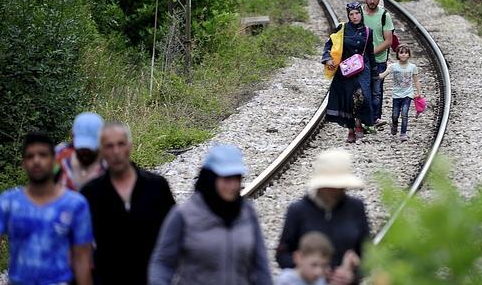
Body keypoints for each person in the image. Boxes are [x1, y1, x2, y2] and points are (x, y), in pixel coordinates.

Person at [0, 132, 93, 285]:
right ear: (23, 163)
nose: (36, 161)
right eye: (30, 156)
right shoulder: (9, 202)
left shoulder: (75, 204)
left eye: (43, 155)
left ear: (54, 161)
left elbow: (82, 260)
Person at [149, 144, 272, 285]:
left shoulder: (247, 213)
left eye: (237, 178)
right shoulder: (183, 215)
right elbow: (162, 263)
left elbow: (261, 266)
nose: (233, 186)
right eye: (226, 179)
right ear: (210, 178)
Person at [81, 122, 175, 284]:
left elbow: (174, 235)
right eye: (109, 146)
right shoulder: (91, 193)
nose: (116, 152)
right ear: (101, 151)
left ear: (130, 146)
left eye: (121, 144)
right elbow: (82, 247)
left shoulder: (156, 186)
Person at [276, 149, 370, 285]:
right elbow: (282, 255)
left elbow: (368, 254)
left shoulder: (355, 207)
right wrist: (312, 269)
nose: (336, 190)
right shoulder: (298, 210)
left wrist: (352, 275)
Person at [321, 2, 377, 143]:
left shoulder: (368, 31)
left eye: (357, 13)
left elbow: (370, 53)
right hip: (345, 69)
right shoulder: (342, 28)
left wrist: (375, 73)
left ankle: (359, 123)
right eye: (351, 14)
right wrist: (327, 59)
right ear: (348, 15)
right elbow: (329, 44)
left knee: (362, 95)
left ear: (361, 14)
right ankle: (351, 129)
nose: (354, 16)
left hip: (362, 69)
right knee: (347, 99)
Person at [362, 0, 395, 128]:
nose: (372, 1)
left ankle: (375, 118)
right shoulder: (359, 13)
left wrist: (372, 51)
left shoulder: (384, 16)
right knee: (363, 89)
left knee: (376, 90)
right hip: (361, 60)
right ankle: (364, 119)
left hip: (379, 59)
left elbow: (388, 41)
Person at [379, 45, 422, 141]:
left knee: (405, 113)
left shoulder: (412, 67)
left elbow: (416, 80)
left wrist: (419, 92)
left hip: (408, 94)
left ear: (409, 55)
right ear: (398, 54)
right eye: (401, 53)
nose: (403, 55)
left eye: (406, 53)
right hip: (396, 95)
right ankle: (394, 124)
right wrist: (374, 74)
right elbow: (383, 75)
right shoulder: (393, 66)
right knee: (395, 114)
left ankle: (403, 133)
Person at [56, 112, 106, 190]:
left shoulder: (109, 165)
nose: (85, 151)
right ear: (72, 137)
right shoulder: (59, 156)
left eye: (91, 147)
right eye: (81, 147)